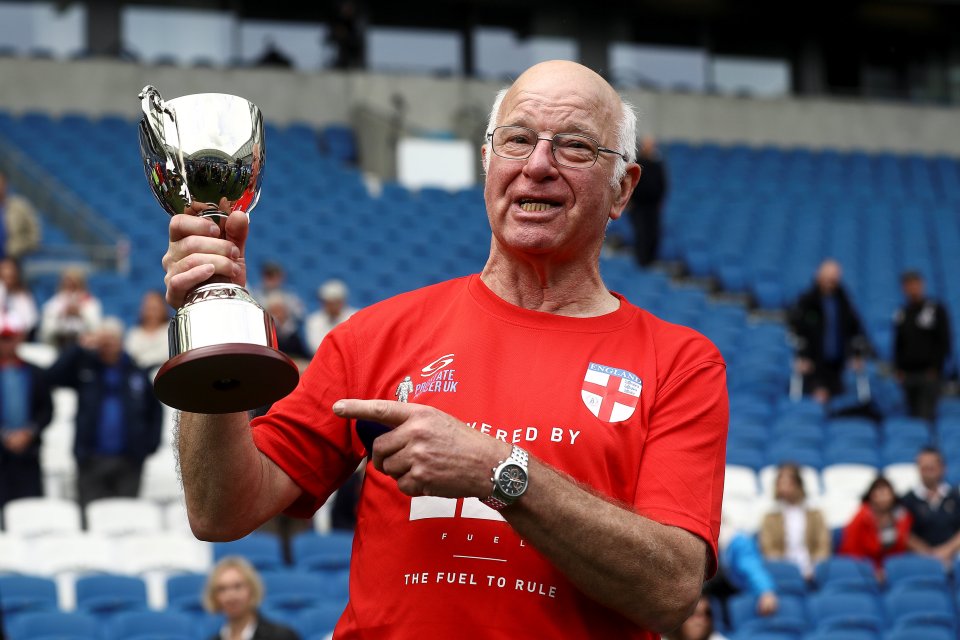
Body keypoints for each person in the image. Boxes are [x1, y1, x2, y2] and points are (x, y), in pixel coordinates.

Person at [162, 60, 728, 639]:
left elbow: (671, 590)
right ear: (487, 161)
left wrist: (498, 471)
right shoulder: (376, 336)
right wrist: (210, 316)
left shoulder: (679, 362)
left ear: (623, 190)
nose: (537, 166)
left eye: (576, 147)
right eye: (518, 140)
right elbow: (221, 508)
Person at [44, 317, 162, 508]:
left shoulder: (136, 372)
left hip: (129, 460)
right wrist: (79, 348)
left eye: (111, 341)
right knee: (91, 519)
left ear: (121, 342)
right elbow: (51, 377)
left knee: (126, 518)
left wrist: (149, 446)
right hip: (91, 459)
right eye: (103, 342)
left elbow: (154, 412)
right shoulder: (85, 368)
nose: (107, 346)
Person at [788, 258, 869, 403]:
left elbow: (855, 329)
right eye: (826, 279)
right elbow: (796, 330)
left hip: (837, 363)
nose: (829, 283)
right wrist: (801, 355)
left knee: (837, 403)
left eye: (833, 280)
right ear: (818, 277)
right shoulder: (807, 301)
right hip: (813, 362)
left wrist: (856, 354)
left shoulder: (843, 301)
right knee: (816, 400)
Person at [0, 313, 53, 507]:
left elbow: (46, 410)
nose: (6, 344)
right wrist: (5, 435)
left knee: (29, 507)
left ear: (19, 339)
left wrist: (28, 432)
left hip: (29, 453)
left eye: (10, 338)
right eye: (3, 339)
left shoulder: (35, 373)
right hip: (2, 454)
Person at [893, 271, 952, 422]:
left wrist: (935, 368)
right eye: (908, 285)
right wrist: (898, 369)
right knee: (911, 416)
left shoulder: (935, 309)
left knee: (925, 417)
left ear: (921, 285)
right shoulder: (902, 313)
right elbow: (898, 344)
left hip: (928, 374)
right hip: (908, 375)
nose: (912, 288)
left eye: (915, 284)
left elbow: (944, 341)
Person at [758, 462, 831, 580]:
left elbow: (823, 546)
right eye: (781, 483)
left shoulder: (816, 515)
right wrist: (787, 570)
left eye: (789, 483)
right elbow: (768, 549)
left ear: (799, 485)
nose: (784, 487)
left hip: (813, 572)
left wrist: (814, 568)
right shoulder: (770, 518)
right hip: (782, 573)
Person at [203, 556, 301, 640]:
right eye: (222, 589)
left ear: (252, 590)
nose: (230, 596)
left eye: (238, 586)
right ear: (214, 597)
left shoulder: (281, 636)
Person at [837, 476, 912, 578]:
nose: (883, 498)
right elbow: (850, 548)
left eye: (886, 493)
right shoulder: (861, 516)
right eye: (879, 494)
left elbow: (900, 547)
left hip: (891, 569)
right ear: (871, 496)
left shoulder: (901, 516)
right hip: (862, 568)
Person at [902, 446, 960, 567]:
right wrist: (928, 554)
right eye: (924, 468)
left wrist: (947, 550)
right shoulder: (907, 500)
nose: (928, 472)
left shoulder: (955, 496)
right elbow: (903, 532)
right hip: (919, 559)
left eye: (932, 468)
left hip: (955, 555)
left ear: (943, 468)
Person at [626, 135, 668, 267]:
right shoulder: (637, 163)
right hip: (638, 206)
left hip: (652, 206)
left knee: (653, 233)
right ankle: (641, 262)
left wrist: (660, 200)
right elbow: (631, 183)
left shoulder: (658, 165)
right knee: (641, 233)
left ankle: (650, 260)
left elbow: (663, 184)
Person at [38, 266, 102, 351]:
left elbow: (96, 329)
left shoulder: (90, 303)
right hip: (59, 345)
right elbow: (46, 331)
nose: (70, 287)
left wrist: (80, 314)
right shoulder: (54, 303)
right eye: (68, 283)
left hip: (84, 347)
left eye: (74, 284)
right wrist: (62, 315)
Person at [304, 278, 357, 353]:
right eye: (328, 302)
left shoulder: (355, 317)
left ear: (342, 301)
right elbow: (314, 347)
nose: (332, 306)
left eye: (335, 302)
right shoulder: (314, 320)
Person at [124, 289, 171, 371]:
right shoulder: (134, 334)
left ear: (164, 308)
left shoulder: (172, 328)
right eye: (149, 308)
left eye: (155, 308)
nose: (152, 313)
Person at [0, 170, 41, 262]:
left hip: (15, 259)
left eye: (1, 183)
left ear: (6, 184)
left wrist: (18, 247)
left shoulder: (20, 206)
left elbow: (35, 234)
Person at [0, 258, 38, 340]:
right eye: (5, 276)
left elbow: (30, 323)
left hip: (17, 340)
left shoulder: (24, 296)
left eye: (11, 276)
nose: (8, 280)